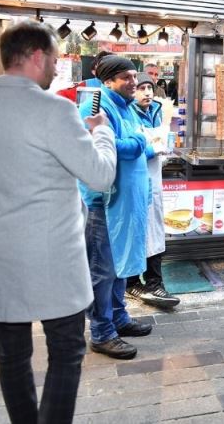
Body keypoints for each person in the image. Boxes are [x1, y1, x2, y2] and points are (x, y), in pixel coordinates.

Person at [0, 21, 117, 423]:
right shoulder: (55, 109)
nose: (57, 69)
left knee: (12, 357)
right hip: (55, 257)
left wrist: (3, 203)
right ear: (37, 56)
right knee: (67, 351)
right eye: (55, 60)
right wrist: (102, 134)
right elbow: (100, 175)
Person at [79, 55, 154, 360]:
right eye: (126, 77)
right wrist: (138, 142)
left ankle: (118, 317)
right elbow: (107, 146)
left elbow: (143, 144)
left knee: (120, 264)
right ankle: (101, 332)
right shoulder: (95, 106)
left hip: (126, 202)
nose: (134, 83)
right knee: (103, 269)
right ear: (108, 80)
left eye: (134, 77)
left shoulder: (127, 107)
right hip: (103, 204)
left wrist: (141, 142)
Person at [127, 72, 181, 309]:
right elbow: (129, 149)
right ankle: (131, 282)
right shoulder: (127, 113)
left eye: (150, 87)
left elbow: (163, 139)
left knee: (155, 231)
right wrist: (152, 150)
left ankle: (154, 282)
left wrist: (164, 147)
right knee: (136, 232)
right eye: (141, 88)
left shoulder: (158, 111)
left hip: (154, 181)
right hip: (135, 182)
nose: (147, 92)